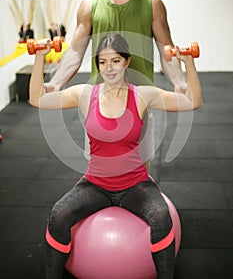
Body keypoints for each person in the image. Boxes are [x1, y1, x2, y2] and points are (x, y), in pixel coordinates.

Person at [29, 33, 202, 279]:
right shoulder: (85, 95)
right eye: (103, 62)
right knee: (59, 214)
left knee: (162, 218)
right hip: (96, 184)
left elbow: (192, 101)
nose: (108, 68)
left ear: (127, 61)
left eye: (115, 61)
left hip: (135, 185)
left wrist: (189, 64)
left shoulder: (143, 95)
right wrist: (39, 58)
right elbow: (38, 98)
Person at [44, 0, 187, 170]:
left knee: (140, 172)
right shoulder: (89, 5)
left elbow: (166, 51)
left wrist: (180, 84)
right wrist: (55, 84)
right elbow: (75, 51)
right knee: (99, 172)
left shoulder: (152, 3)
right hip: (100, 104)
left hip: (139, 103)